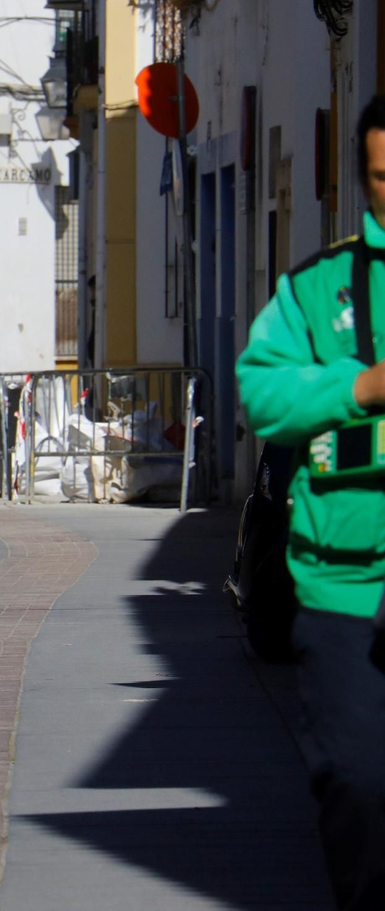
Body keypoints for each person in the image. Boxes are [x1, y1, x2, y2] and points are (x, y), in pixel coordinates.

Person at [237, 96, 385, 910]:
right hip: (345, 587)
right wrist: (358, 386)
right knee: (357, 784)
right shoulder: (320, 285)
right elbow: (263, 388)